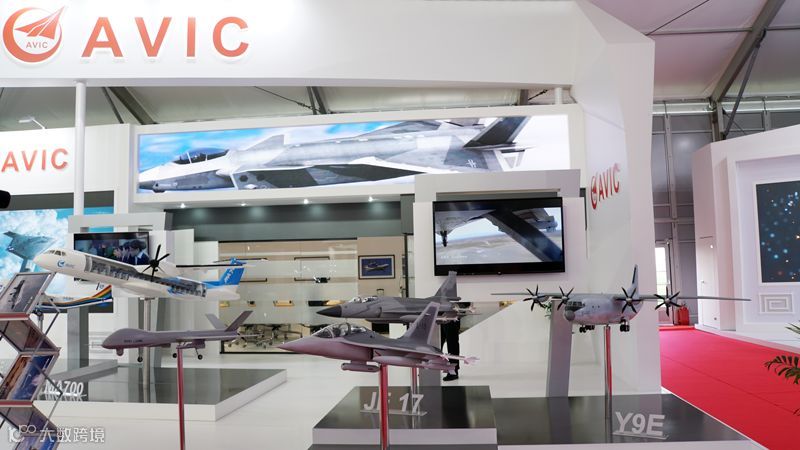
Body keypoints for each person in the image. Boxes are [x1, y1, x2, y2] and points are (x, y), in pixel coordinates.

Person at [440, 317, 461, 381]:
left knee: (452, 344)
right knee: (436, 342)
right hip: (439, 316)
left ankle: (453, 371)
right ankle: (431, 370)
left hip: (451, 317)